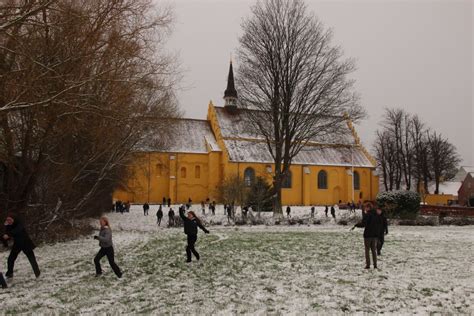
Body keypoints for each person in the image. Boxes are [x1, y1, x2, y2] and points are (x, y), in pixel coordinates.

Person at [3, 215, 40, 279]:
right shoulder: (9, 225)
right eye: (7, 220)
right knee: (10, 259)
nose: (9, 221)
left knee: (31, 259)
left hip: (25, 243)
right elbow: (7, 234)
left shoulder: (19, 223)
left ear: (13, 219)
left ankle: (37, 273)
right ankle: (9, 273)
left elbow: (17, 230)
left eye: (10, 220)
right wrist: (7, 226)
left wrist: (9, 234)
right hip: (17, 244)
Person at [352, 203, 383, 269]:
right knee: (374, 251)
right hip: (374, 235)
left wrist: (357, 225)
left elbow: (364, 224)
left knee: (367, 250)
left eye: (365, 207)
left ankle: (368, 265)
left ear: (368, 208)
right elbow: (379, 225)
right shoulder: (377, 215)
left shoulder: (367, 215)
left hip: (368, 235)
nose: (365, 209)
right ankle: (375, 265)